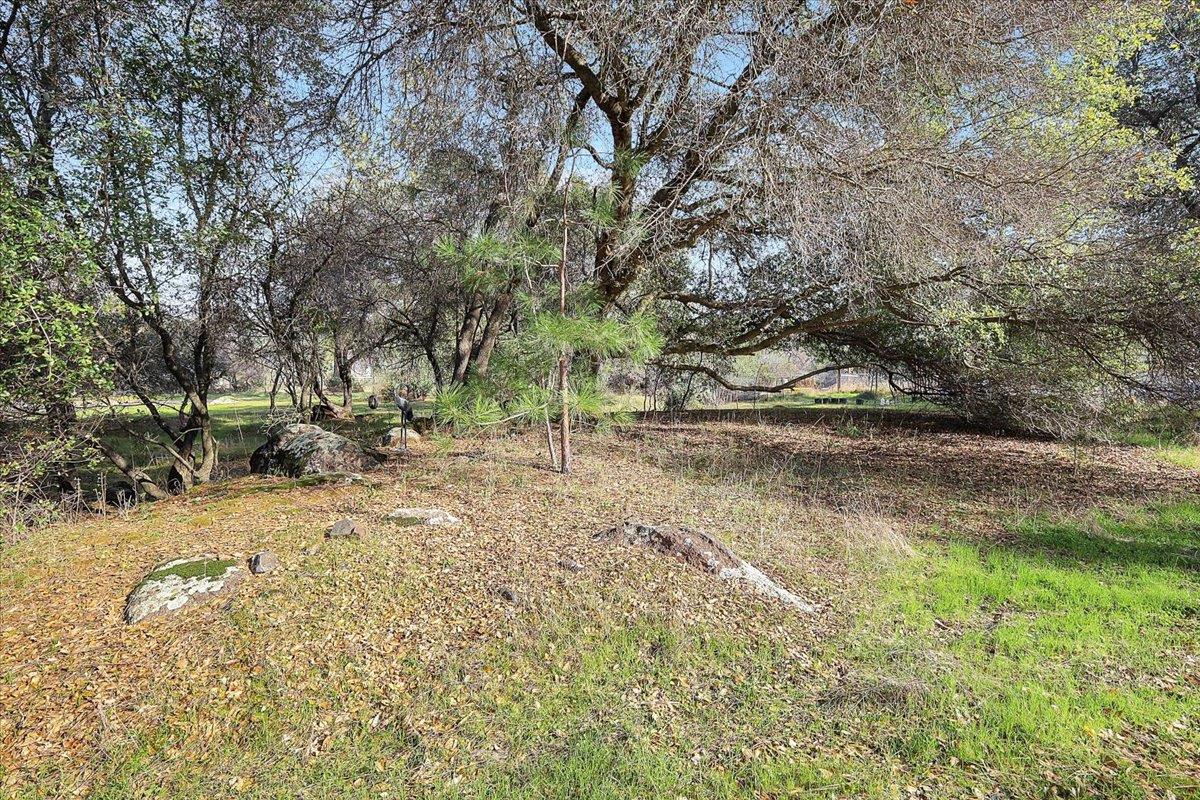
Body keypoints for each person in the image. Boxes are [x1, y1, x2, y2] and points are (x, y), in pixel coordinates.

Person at [393, 385, 415, 450]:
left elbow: (407, 411)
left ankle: (405, 445)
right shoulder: (398, 400)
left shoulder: (401, 401)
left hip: (407, 412)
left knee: (404, 426)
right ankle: (401, 445)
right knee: (402, 426)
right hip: (404, 411)